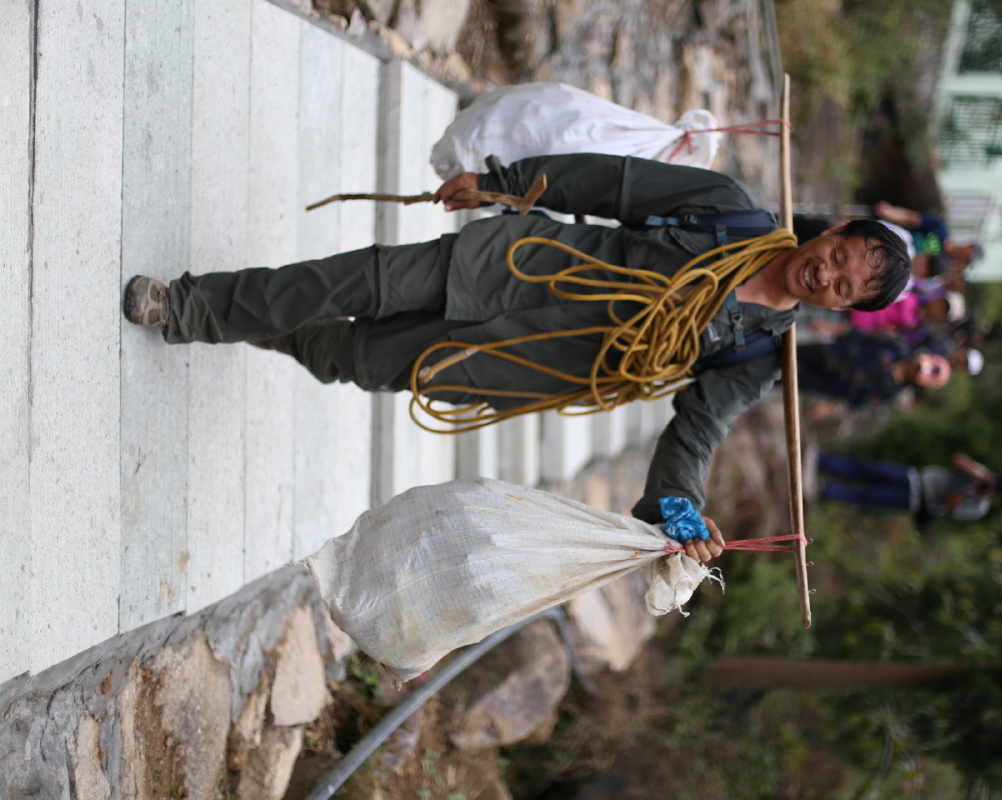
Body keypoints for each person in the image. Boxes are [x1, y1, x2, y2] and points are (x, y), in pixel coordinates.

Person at [123, 153, 910, 562]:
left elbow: (696, 432)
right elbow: (611, 183)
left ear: (843, 311)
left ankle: (271, 325)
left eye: (847, 289)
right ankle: (192, 307)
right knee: (356, 278)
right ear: (832, 231)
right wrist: (501, 183)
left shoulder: (760, 352)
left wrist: (677, 511)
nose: (831, 274)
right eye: (843, 254)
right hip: (520, 259)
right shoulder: (729, 210)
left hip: (529, 358)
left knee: (356, 359)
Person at [810, 450, 1002, 522]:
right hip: (914, 477)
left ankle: (824, 490)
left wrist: (970, 492)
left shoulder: (979, 507)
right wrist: (978, 475)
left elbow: (949, 506)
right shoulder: (980, 473)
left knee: (867, 496)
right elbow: (958, 459)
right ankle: (820, 459)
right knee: (866, 468)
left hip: (915, 499)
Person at [795, 331, 951, 419]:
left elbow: (858, 402)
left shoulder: (892, 391)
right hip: (832, 353)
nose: (915, 368)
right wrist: (832, 328)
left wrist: (828, 408)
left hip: (831, 383)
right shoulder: (898, 347)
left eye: (918, 371)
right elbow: (865, 337)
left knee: (789, 380)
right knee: (791, 352)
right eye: (919, 366)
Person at [873, 201, 982, 274]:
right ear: (969, 246)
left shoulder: (941, 264)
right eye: (969, 256)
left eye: (967, 261)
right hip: (892, 237)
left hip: (893, 263)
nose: (964, 258)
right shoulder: (941, 229)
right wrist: (891, 213)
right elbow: (912, 218)